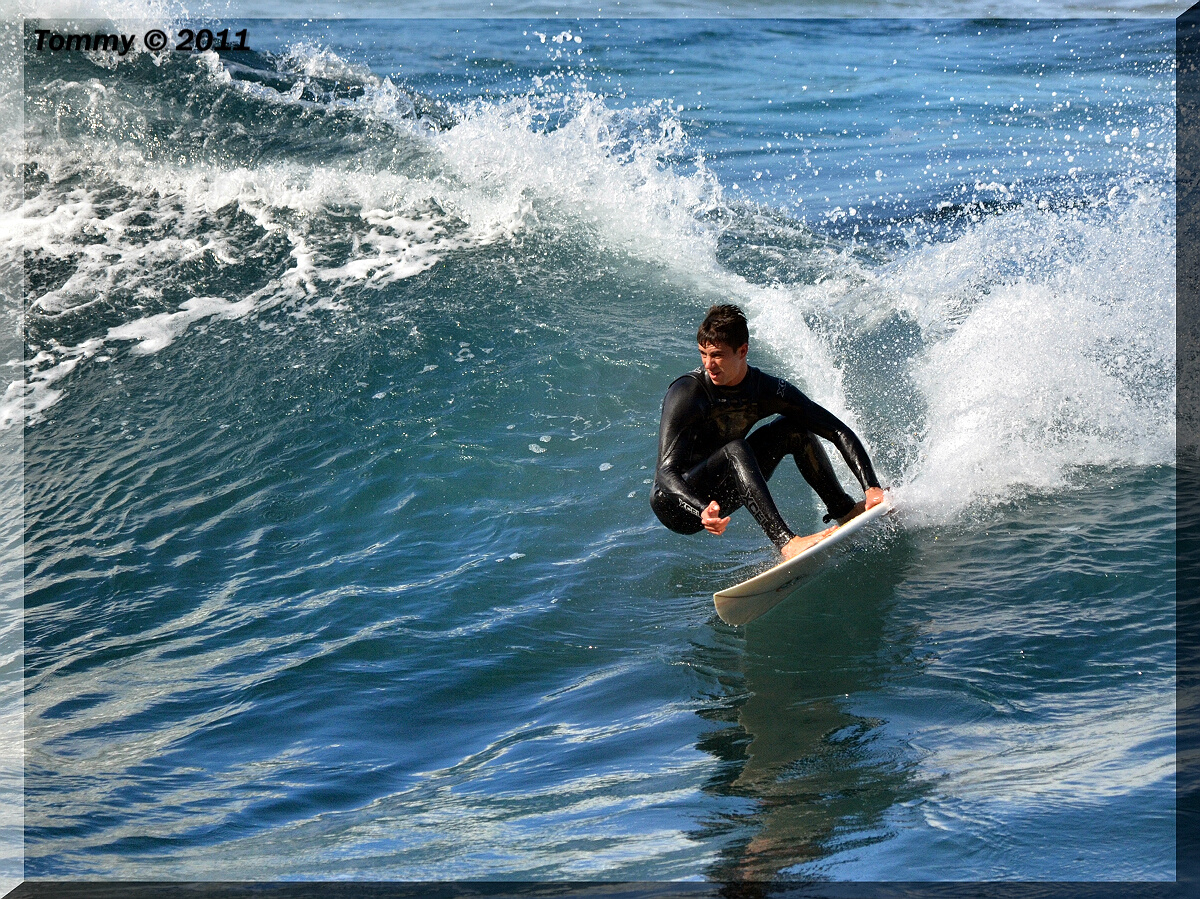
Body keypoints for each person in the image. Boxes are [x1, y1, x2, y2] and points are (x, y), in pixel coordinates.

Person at [651, 304, 885, 561]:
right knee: (736, 449)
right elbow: (665, 473)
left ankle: (845, 510)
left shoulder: (766, 389)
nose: (709, 364)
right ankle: (787, 543)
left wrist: (871, 486)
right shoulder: (687, 392)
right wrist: (701, 508)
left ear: (743, 351)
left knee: (794, 428)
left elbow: (836, 430)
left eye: (717, 355)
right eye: (703, 354)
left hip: (722, 490)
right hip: (676, 504)